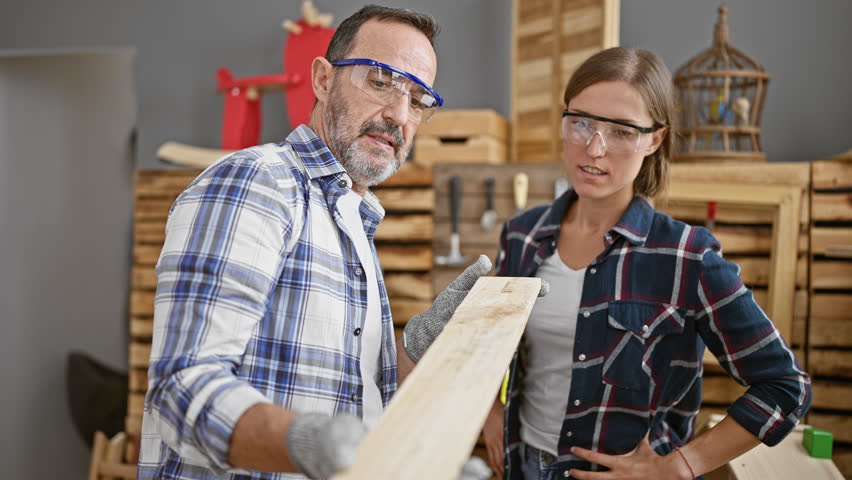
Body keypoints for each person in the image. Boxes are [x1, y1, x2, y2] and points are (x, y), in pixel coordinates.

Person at [137, 5, 494, 479]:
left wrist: (421, 344)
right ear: (324, 80)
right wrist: (305, 443)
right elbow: (182, 389)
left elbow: (356, 394)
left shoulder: (350, 218)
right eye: (381, 81)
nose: (398, 115)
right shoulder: (258, 183)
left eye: (418, 98)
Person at [482, 47, 812, 480]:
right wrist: (492, 410)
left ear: (654, 139)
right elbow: (489, 343)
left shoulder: (687, 257)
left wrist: (680, 465)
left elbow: (786, 388)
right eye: (581, 122)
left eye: (621, 131)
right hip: (521, 464)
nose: (594, 148)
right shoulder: (522, 235)